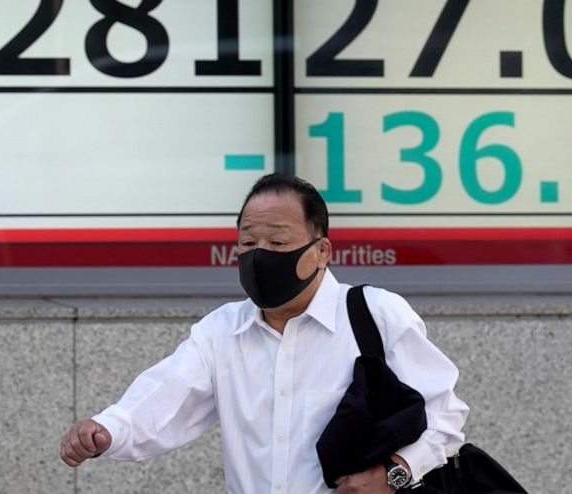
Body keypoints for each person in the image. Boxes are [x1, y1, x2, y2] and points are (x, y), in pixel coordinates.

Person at [60, 173, 468, 493]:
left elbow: (445, 416)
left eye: (277, 241)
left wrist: (394, 475)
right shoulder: (221, 332)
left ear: (322, 251)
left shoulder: (376, 315)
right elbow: (163, 400)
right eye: (248, 242)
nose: (260, 256)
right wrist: (104, 429)